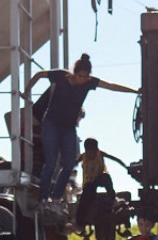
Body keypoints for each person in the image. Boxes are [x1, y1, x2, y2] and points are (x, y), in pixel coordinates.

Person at [27, 54, 139, 215]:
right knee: (51, 162)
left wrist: (135, 91)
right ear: (74, 73)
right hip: (51, 123)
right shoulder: (60, 75)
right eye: (80, 76)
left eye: (86, 77)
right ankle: (43, 200)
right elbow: (40, 74)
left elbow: (112, 86)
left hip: (68, 127)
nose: (83, 80)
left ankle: (56, 199)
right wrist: (26, 91)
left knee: (69, 163)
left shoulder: (89, 83)